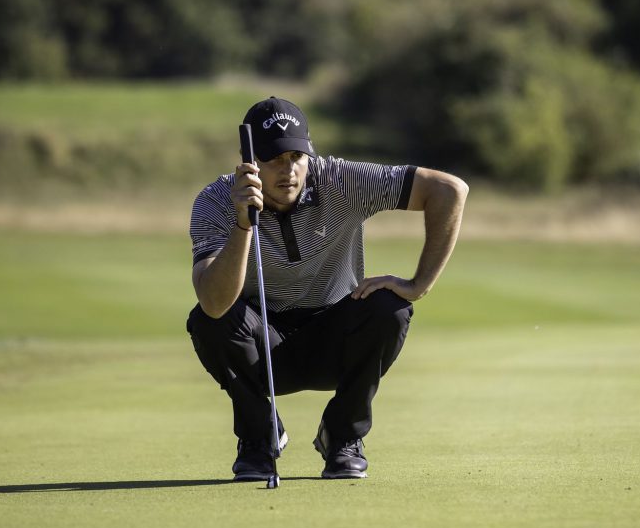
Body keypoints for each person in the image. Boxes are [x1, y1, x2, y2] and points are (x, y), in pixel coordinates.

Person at [185, 96, 468, 481]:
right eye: (273, 161)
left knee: (390, 308)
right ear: (249, 164)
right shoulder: (216, 202)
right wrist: (243, 224)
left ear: (309, 154)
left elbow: (449, 190)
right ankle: (259, 437)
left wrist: (419, 285)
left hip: (335, 342)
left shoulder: (339, 179)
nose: (288, 171)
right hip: (263, 352)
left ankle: (341, 437)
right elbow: (215, 303)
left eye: (295, 158)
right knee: (209, 320)